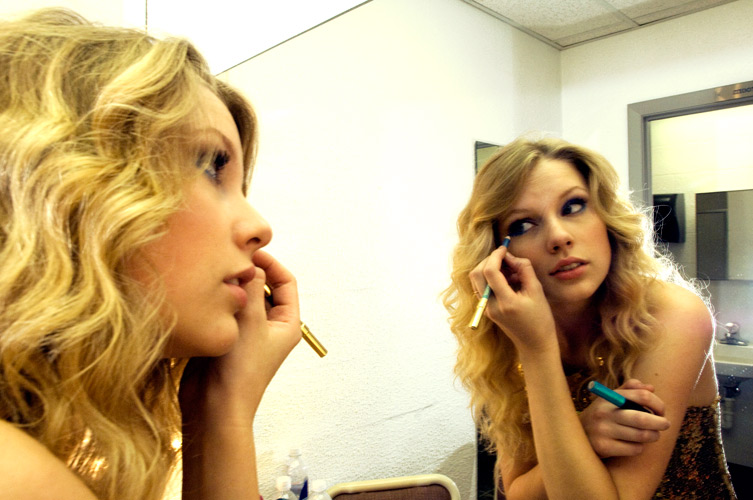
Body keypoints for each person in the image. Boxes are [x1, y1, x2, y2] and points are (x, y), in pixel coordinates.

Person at [0, 8, 301, 500]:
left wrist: (219, 406)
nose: (259, 228)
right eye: (211, 166)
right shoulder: (16, 476)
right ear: (69, 187)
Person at [443, 136, 736, 499]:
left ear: (606, 217)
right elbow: (517, 491)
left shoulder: (673, 315)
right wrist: (583, 432)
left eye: (574, 206)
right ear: (497, 254)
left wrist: (537, 351)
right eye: (522, 225)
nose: (559, 237)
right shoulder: (513, 330)